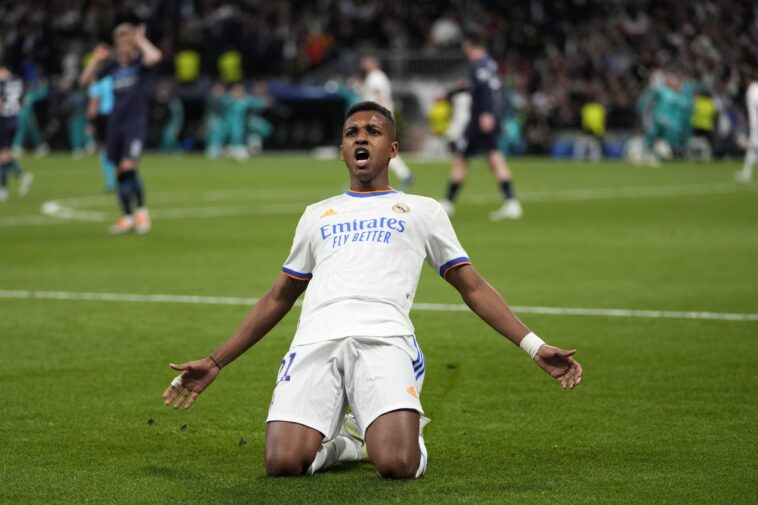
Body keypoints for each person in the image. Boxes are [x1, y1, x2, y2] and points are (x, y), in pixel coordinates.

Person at [162, 101, 583, 479]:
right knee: (282, 464)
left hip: (384, 338)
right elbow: (280, 296)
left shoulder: (422, 210)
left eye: (373, 131)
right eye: (351, 133)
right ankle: (349, 444)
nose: (361, 137)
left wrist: (534, 345)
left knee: (397, 465)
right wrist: (217, 361)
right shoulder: (316, 215)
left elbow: (471, 285)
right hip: (315, 341)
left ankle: (396, 429)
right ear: (343, 151)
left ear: (392, 151)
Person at [80, 23, 162, 234]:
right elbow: (85, 81)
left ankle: (142, 212)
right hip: (116, 123)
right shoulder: (113, 67)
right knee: (119, 171)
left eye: (127, 42)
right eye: (120, 42)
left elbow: (155, 57)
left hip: (135, 123)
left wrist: (142, 41)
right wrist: (96, 60)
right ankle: (127, 217)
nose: (124, 46)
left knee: (128, 166)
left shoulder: (139, 64)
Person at [440, 28, 522, 221]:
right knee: (494, 158)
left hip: (479, 120)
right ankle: (512, 202)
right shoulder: (490, 64)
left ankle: (448, 202)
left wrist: (485, 114)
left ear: (469, 45)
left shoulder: (479, 66)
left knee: (461, 158)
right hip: (487, 118)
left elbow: (485, 91)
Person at [360, 56, 414, 188]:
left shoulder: (375, 77)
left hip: (378, 117)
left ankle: (367, 180)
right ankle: (403, 174)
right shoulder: (379, 76)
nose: (363, 64)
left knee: (378, 149)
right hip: (381, 116)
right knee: (378, 149)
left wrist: (377, 115)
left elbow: (379, 96)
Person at [0, 62, 33, 202]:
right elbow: (24, 100)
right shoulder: (18, 80)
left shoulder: (2, 83)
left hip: (3, 118)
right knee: (4, 154)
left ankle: (4, 188)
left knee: (3, 155)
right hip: (14, 119)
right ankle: (21, 175)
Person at [87, 75, 117, 192]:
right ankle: (120, 178)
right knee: (117, 149)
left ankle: (110, 182)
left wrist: (91, 122)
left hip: (104, 117)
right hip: (119, 115)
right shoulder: (114, 78)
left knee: (105, 150)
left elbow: (94, 102)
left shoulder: (97, 81)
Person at [737, 75, 758, 183]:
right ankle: (746, 173)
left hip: (757, 127)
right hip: (755, 126)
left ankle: (746, 173)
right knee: (752, 149)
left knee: (752, 147)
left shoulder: (753, 90)